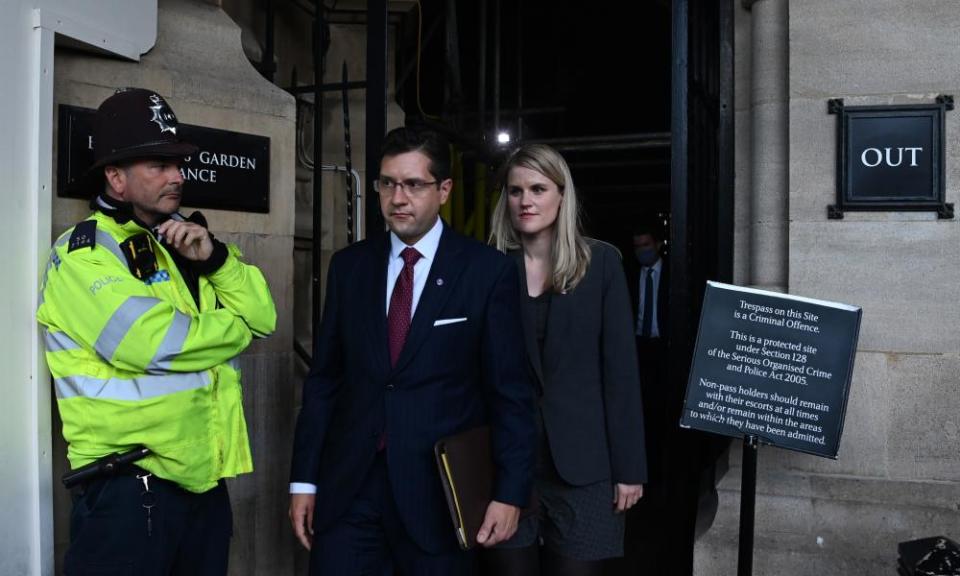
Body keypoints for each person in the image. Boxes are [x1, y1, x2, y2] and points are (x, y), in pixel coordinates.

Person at [37, 88, 277, 574]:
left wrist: (216, 258)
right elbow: (151, 343)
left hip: (202, 485)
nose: (178, 176)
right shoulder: (85, 253)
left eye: (178, 163)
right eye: (159, 165)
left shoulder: (181, 241)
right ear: (115, 177)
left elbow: (265, 316)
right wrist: (237, 327)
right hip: (129, 490)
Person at [288, 126, 536, 575]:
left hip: (438, 499)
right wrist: (304, 481)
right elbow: (325, 381)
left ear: (444, 190)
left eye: (413, 185)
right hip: (350, 491)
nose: (397, 197)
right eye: (387, 183)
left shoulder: (486, 272)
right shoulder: (349, 268)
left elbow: (510, 392)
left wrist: (510, 492)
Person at [484, 144, 647, 576]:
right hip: (506, 466)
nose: (526, 201)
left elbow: (621, 374)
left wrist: (630, 468)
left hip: (584, 468)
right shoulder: (488, 267)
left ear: (561, 194)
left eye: (538, 188)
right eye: (515, 191)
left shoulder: (602, 264)